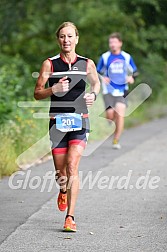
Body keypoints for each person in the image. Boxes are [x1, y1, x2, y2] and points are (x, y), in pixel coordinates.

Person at [34, 22, 100, 232]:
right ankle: (63, 190)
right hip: (57, 123)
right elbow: (37, 93)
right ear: (58, 40)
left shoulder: (87, 63)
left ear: (77, 39)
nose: (66, 40)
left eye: (70, 36)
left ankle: (70, 217)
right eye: (62, 36)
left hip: (80, 119)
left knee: (72, 166)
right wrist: (53, 88)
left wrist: (93, 95)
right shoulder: (50, 64)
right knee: (61, 172)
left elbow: (96, 83)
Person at [97, 32, 138, 149]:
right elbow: (97, 71)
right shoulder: (105, 57)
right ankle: (110, 123)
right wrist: (103, 78)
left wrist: (132, 78)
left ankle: (116, 139)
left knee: (120, 113)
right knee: (110, 115)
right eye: (110, 42)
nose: (112, 45)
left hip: (122, 89)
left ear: (120, 43)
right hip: (108, 90)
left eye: (115, 42)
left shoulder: (126, 57)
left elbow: (135, 71)